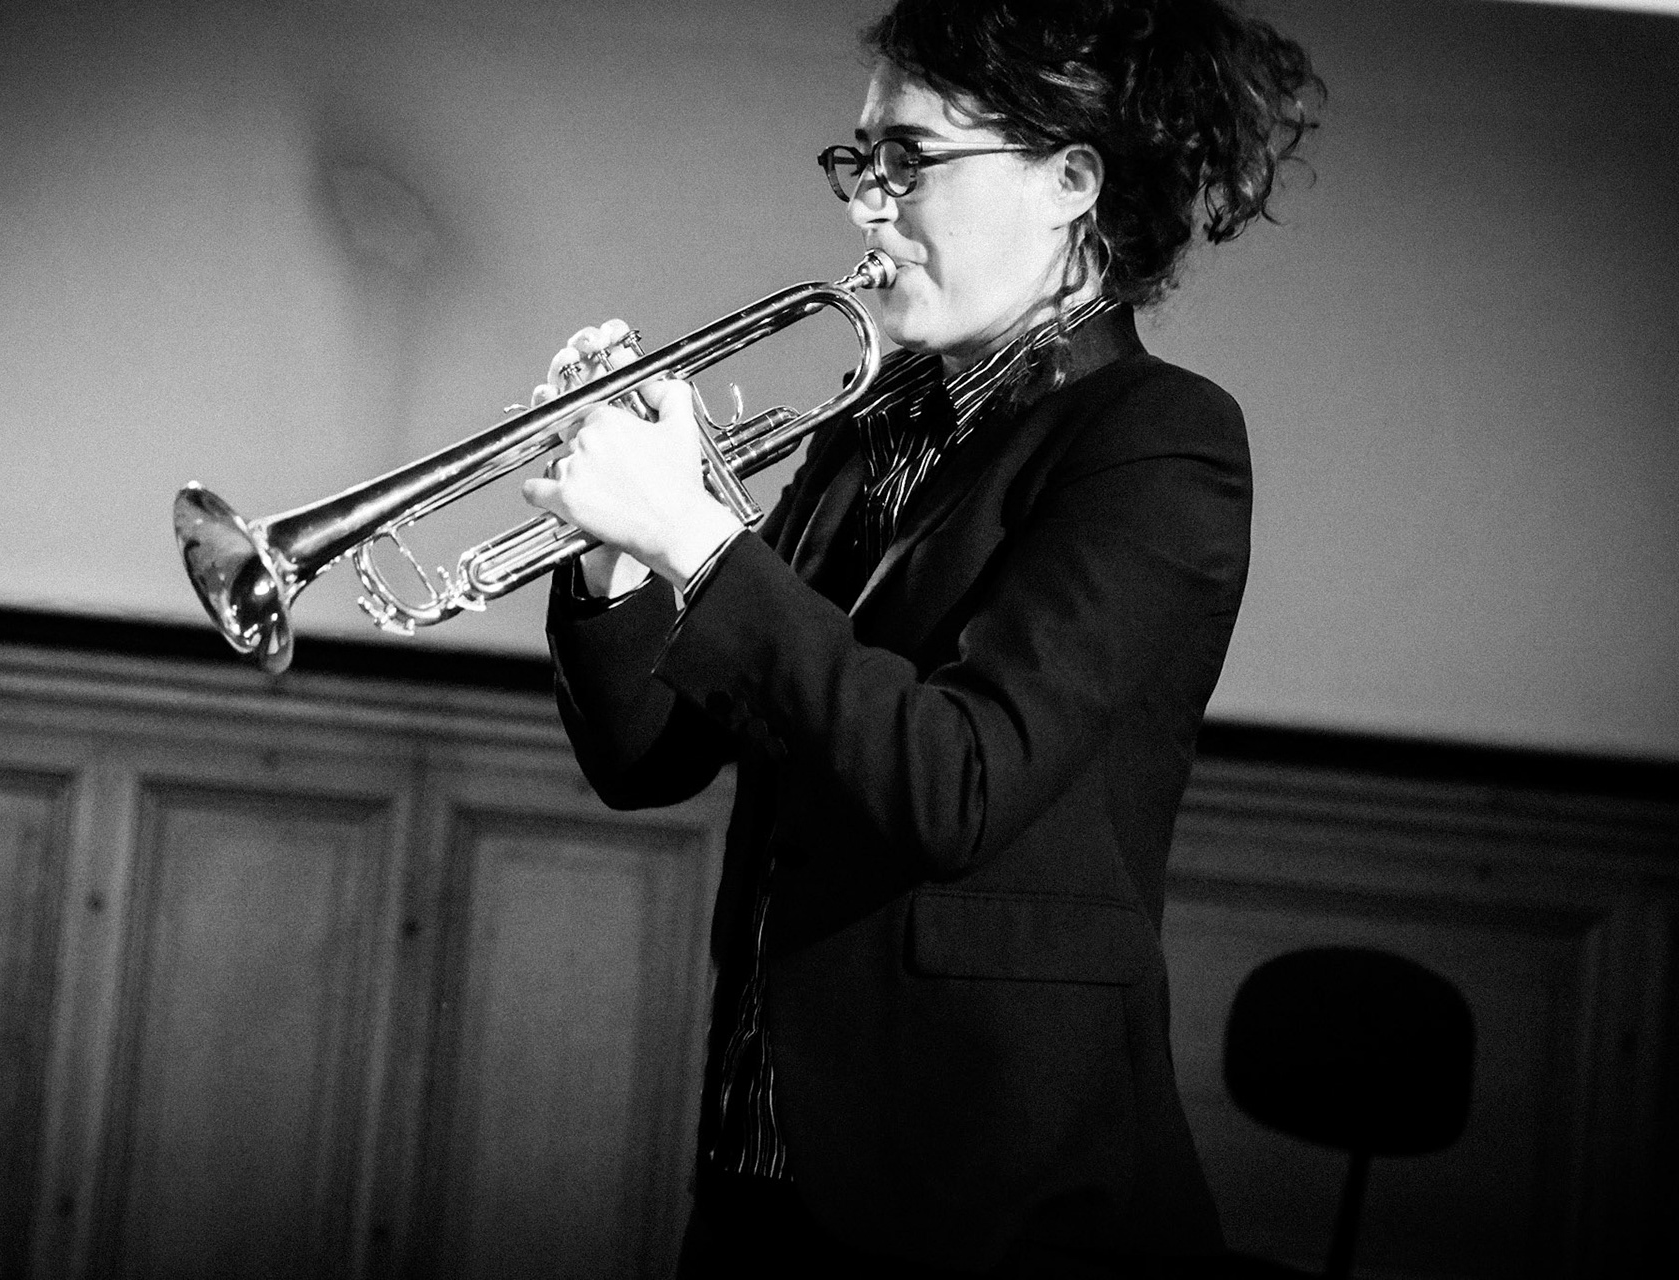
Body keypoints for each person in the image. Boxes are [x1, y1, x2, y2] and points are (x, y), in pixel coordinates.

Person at [520, 1, 1321, 1274]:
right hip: (763, 1166)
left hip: (985, 1197)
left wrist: (697, 536)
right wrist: (612, 546)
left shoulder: (1156, 439)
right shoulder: (865, 427)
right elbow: (648, 758)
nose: (868, 205)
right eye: (859, 161)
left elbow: (955, 782)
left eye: (912, 159)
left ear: (1071, 181)